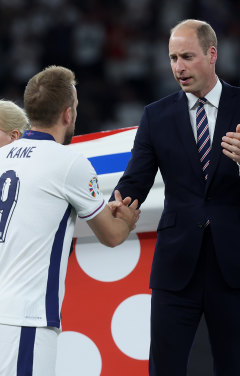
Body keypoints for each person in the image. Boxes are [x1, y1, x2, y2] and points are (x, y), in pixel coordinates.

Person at [110, 19, 240, 376]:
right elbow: (135, 182)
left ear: (212, 54)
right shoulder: (155, 116)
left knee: (235, 368)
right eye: (173, 58)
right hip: (177, 266)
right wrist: (116, 203)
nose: (178, 67)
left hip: (237, 263)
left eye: (187, 56)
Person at [0, 65, 140, 376]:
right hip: (26, 318)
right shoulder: (69, 162)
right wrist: (127, 218)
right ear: (68, 114)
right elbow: (112, 236)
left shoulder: (3, 156)